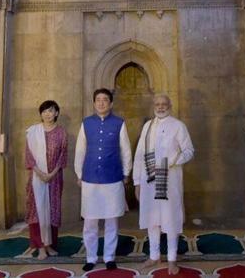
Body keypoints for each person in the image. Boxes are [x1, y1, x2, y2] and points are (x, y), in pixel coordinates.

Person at [133, 94, 194, 275]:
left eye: (164, 104)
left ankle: (172, 259)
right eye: (157, 104)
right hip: (149, 180)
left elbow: (189, 151)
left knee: (170, 218)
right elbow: (139, 155)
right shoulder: (147, 126)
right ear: (153, 106)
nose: (160, 107)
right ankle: (154, 255)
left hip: (169, 180)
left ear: (170, 105)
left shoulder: (178, 125)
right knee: (152, 219)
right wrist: (137, 182)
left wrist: (173, 161)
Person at [74, 88, 132, 271]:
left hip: (113, 178)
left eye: (105, 100)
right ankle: (91, 257)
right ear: (94, 103)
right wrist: (79, 174)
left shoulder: (119, 123)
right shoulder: (86, 123)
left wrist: (126, 173)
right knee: (90, 222)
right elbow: (80, 150)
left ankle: (109, 257)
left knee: (111, 220)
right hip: (90, 178)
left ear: (111, 103)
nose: (101, 103)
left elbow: (126, 150)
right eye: (98, 99)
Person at [25, 100, 67, 260]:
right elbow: (28, 156)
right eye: (44, 111)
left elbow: (63, 156)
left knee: (51, 211)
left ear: (56, 113)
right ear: (41, 113)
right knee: (37, 211)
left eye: (51, 111)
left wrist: (51, 174)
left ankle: (49, 245)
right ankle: (40, 247)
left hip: (54, 179)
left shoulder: (61, 132)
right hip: (36, 178)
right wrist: (40, 173)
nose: (47, 114)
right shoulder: (33, 132)